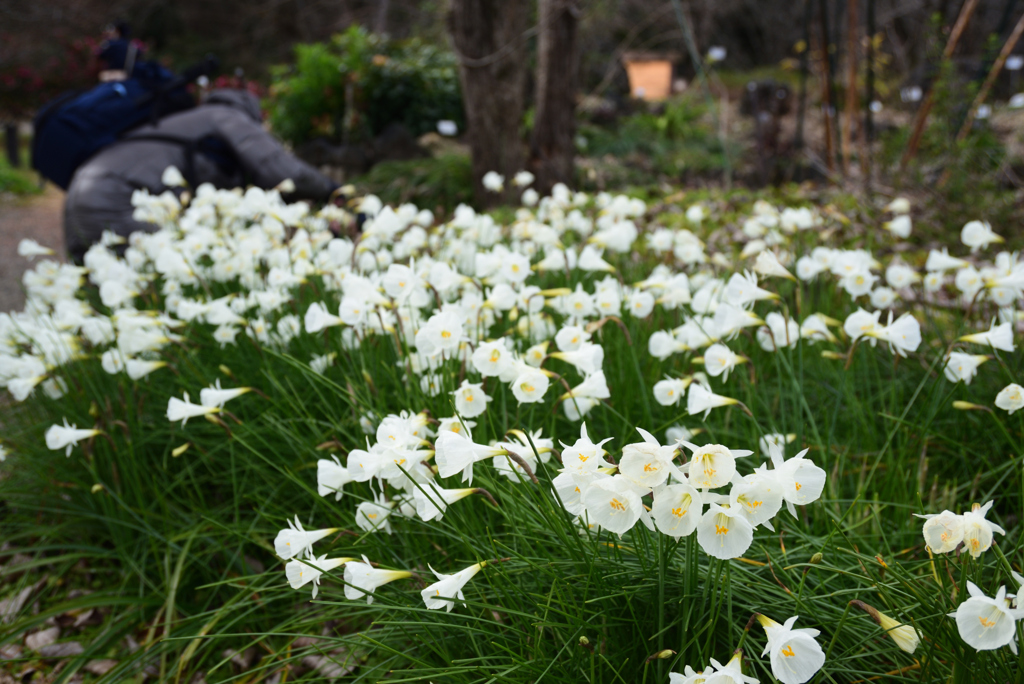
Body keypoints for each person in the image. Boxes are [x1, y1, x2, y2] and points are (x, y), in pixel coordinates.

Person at [63, 89, 339, 261]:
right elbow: (277, 167)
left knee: (103, 301)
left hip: (79, 196)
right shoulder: (226, 115)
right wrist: (333, 191)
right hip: (118, 198)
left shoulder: (186, 120)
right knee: (164, 279)